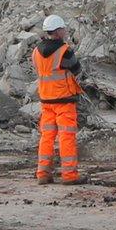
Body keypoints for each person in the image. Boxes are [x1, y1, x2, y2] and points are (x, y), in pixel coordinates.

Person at [32, 14, 81, 184]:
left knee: (46, 137)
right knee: (66, 137)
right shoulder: (64, 51)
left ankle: (43, 174)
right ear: (58, 31)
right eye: (63, 29)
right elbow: (76, 68)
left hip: (46, 100)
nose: (65, 32)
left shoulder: (36, 51)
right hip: (64, 101)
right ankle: (69, 176)